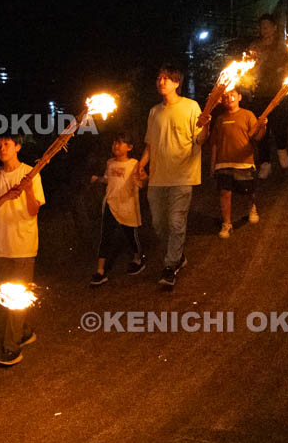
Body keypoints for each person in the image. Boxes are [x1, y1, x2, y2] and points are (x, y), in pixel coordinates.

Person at [136, 65, 209, 287]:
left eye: (167, 78)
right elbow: (150, 144)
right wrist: (140, 165)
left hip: (182, 175)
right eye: (159, 78)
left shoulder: (191, 107)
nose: (161, 82)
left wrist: (206, 126)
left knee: (176, 222)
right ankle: (178, 255)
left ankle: (170, 266)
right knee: (159, 224)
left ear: (177, 83)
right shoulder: (154, 112)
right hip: (157, 177)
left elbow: (200, 139)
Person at [0, 134, 43, 366]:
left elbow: (34, 210)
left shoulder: (31, 173)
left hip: (24, 245)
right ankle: (24, 331)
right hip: (2, 247)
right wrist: (6, 196)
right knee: (8, 297)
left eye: (7, 144)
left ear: (17, 146)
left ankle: (11, 347)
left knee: (16, 298)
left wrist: (28, 190)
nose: (2, 148)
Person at [205, 88, 267, 238]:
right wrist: (212, 166)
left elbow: (257, 137)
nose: (229, 98)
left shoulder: (247, 115)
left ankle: (252, 208)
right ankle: (227, 224)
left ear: (239, 97)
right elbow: (214, 143)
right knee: (225, 193)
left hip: (244, 162)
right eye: (226, 96)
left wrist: (263, 126)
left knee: (248, 191)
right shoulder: (220, 119)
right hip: (223, 163)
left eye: (232, 94)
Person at [89, 131, 146, 285]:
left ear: (129, 147)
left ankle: (138, 259)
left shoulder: (134, 164)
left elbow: (141, 183)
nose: (116, 145)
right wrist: (98, 179)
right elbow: (108, 179)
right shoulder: (110, 163)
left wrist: (143, 178)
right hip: (111, 204)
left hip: (127, 206)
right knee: (105, 236)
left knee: (130, 235)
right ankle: (100, 271)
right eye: (115, 142)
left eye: (120, 143)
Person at [247, 13, 288, 178]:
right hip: (259, 93)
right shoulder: (255, 46)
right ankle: (265, 163)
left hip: (277, 92)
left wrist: (286, 84)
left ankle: (282, 150)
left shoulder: (281, 47)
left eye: (267, 26)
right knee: (261, 128)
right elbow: (247, 68)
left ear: (274, 28)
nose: (264, 29)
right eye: (262, 27)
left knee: (280, 124)